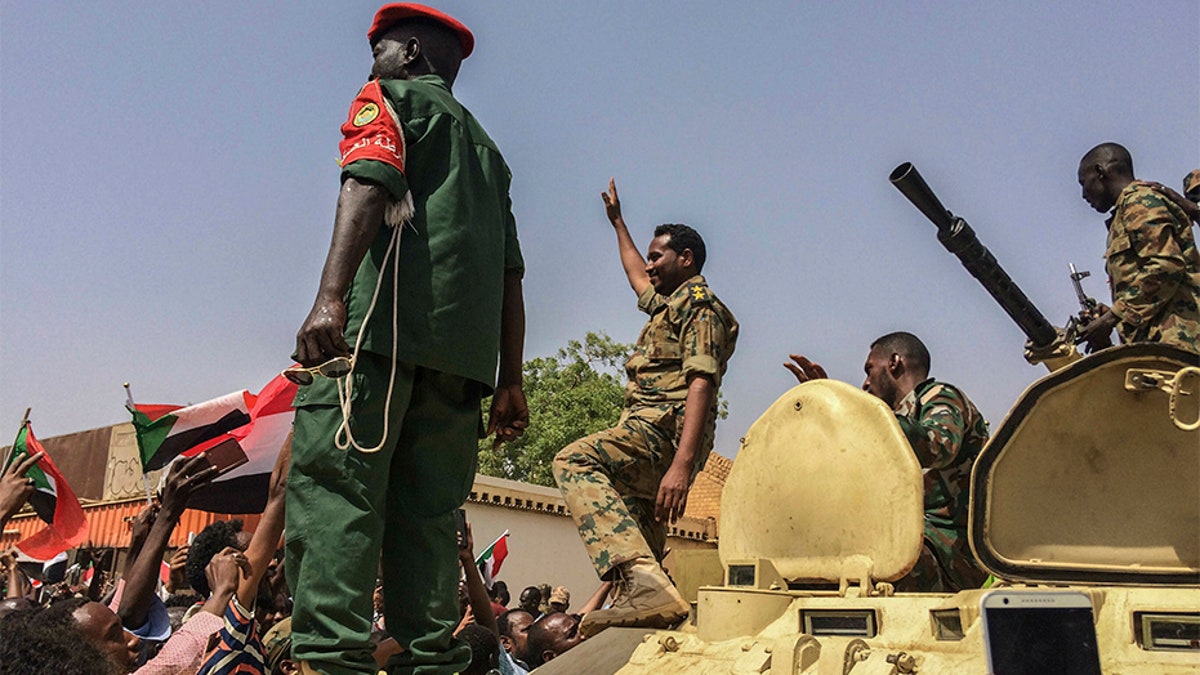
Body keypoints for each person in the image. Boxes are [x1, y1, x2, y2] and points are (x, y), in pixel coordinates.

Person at [286, 4, 527, 673]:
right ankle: (430, 663)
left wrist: (329, 297)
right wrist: (511, 378)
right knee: (427, 522)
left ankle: (331, 662)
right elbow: (511, 274)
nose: (372, 62)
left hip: (376, 349)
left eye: (380, 50)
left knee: (337, 497)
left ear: (411, 53)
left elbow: (366, 184)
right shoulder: (488, 152)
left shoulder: (387, 100)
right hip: (458, 371)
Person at [554, 179, 738, 636]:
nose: (650, 265)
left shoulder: (700, 306)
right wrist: (618, 223)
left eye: (659, 256)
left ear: (687, 260)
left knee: (574, 461)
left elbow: (702, 384)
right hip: (649, 435)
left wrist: (681, 465)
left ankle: (640, 582)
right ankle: (648, 605)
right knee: (644, 549)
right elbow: (637, 275)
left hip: (661, 436)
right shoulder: (667, 304)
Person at [785, 332, 989, 592]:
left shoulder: (938, 396)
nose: (865, 384)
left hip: (949, 553)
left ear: (894, 363)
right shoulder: (887, 420)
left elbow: (939, 446)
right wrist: (830, 409)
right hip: (903, 543)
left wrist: (854, 408)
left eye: (870, 370)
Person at [1075, 143, 1200, 354]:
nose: (1083, 194)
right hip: (1155, 347)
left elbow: (1166, 265)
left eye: (1083, 183)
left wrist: (1113, 316)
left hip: (1178, 347)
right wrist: (1112, 316)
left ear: (1100, 171)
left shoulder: (1139, 201)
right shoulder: (1126, 210)